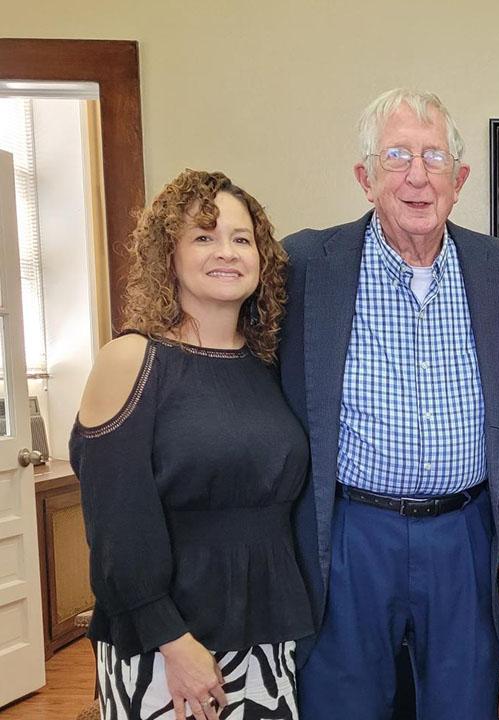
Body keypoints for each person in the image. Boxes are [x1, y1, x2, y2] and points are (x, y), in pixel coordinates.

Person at [278, 88, 499, 719]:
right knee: (343, 702)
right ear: (366, 178)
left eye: (434, 157)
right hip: (352, 530)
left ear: (460, 178)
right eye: (397, 156)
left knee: (462, 701)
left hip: (465, 532)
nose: (417, 176)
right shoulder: (307, 263)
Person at [70, 169, 312, 720]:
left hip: (265, 632)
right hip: (168, 640)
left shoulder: (265, 365)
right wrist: (172, 642)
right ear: (169, 255)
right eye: (203, 237)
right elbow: (115, 522)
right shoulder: (132, 360)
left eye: (241, 238)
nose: (226, 252)